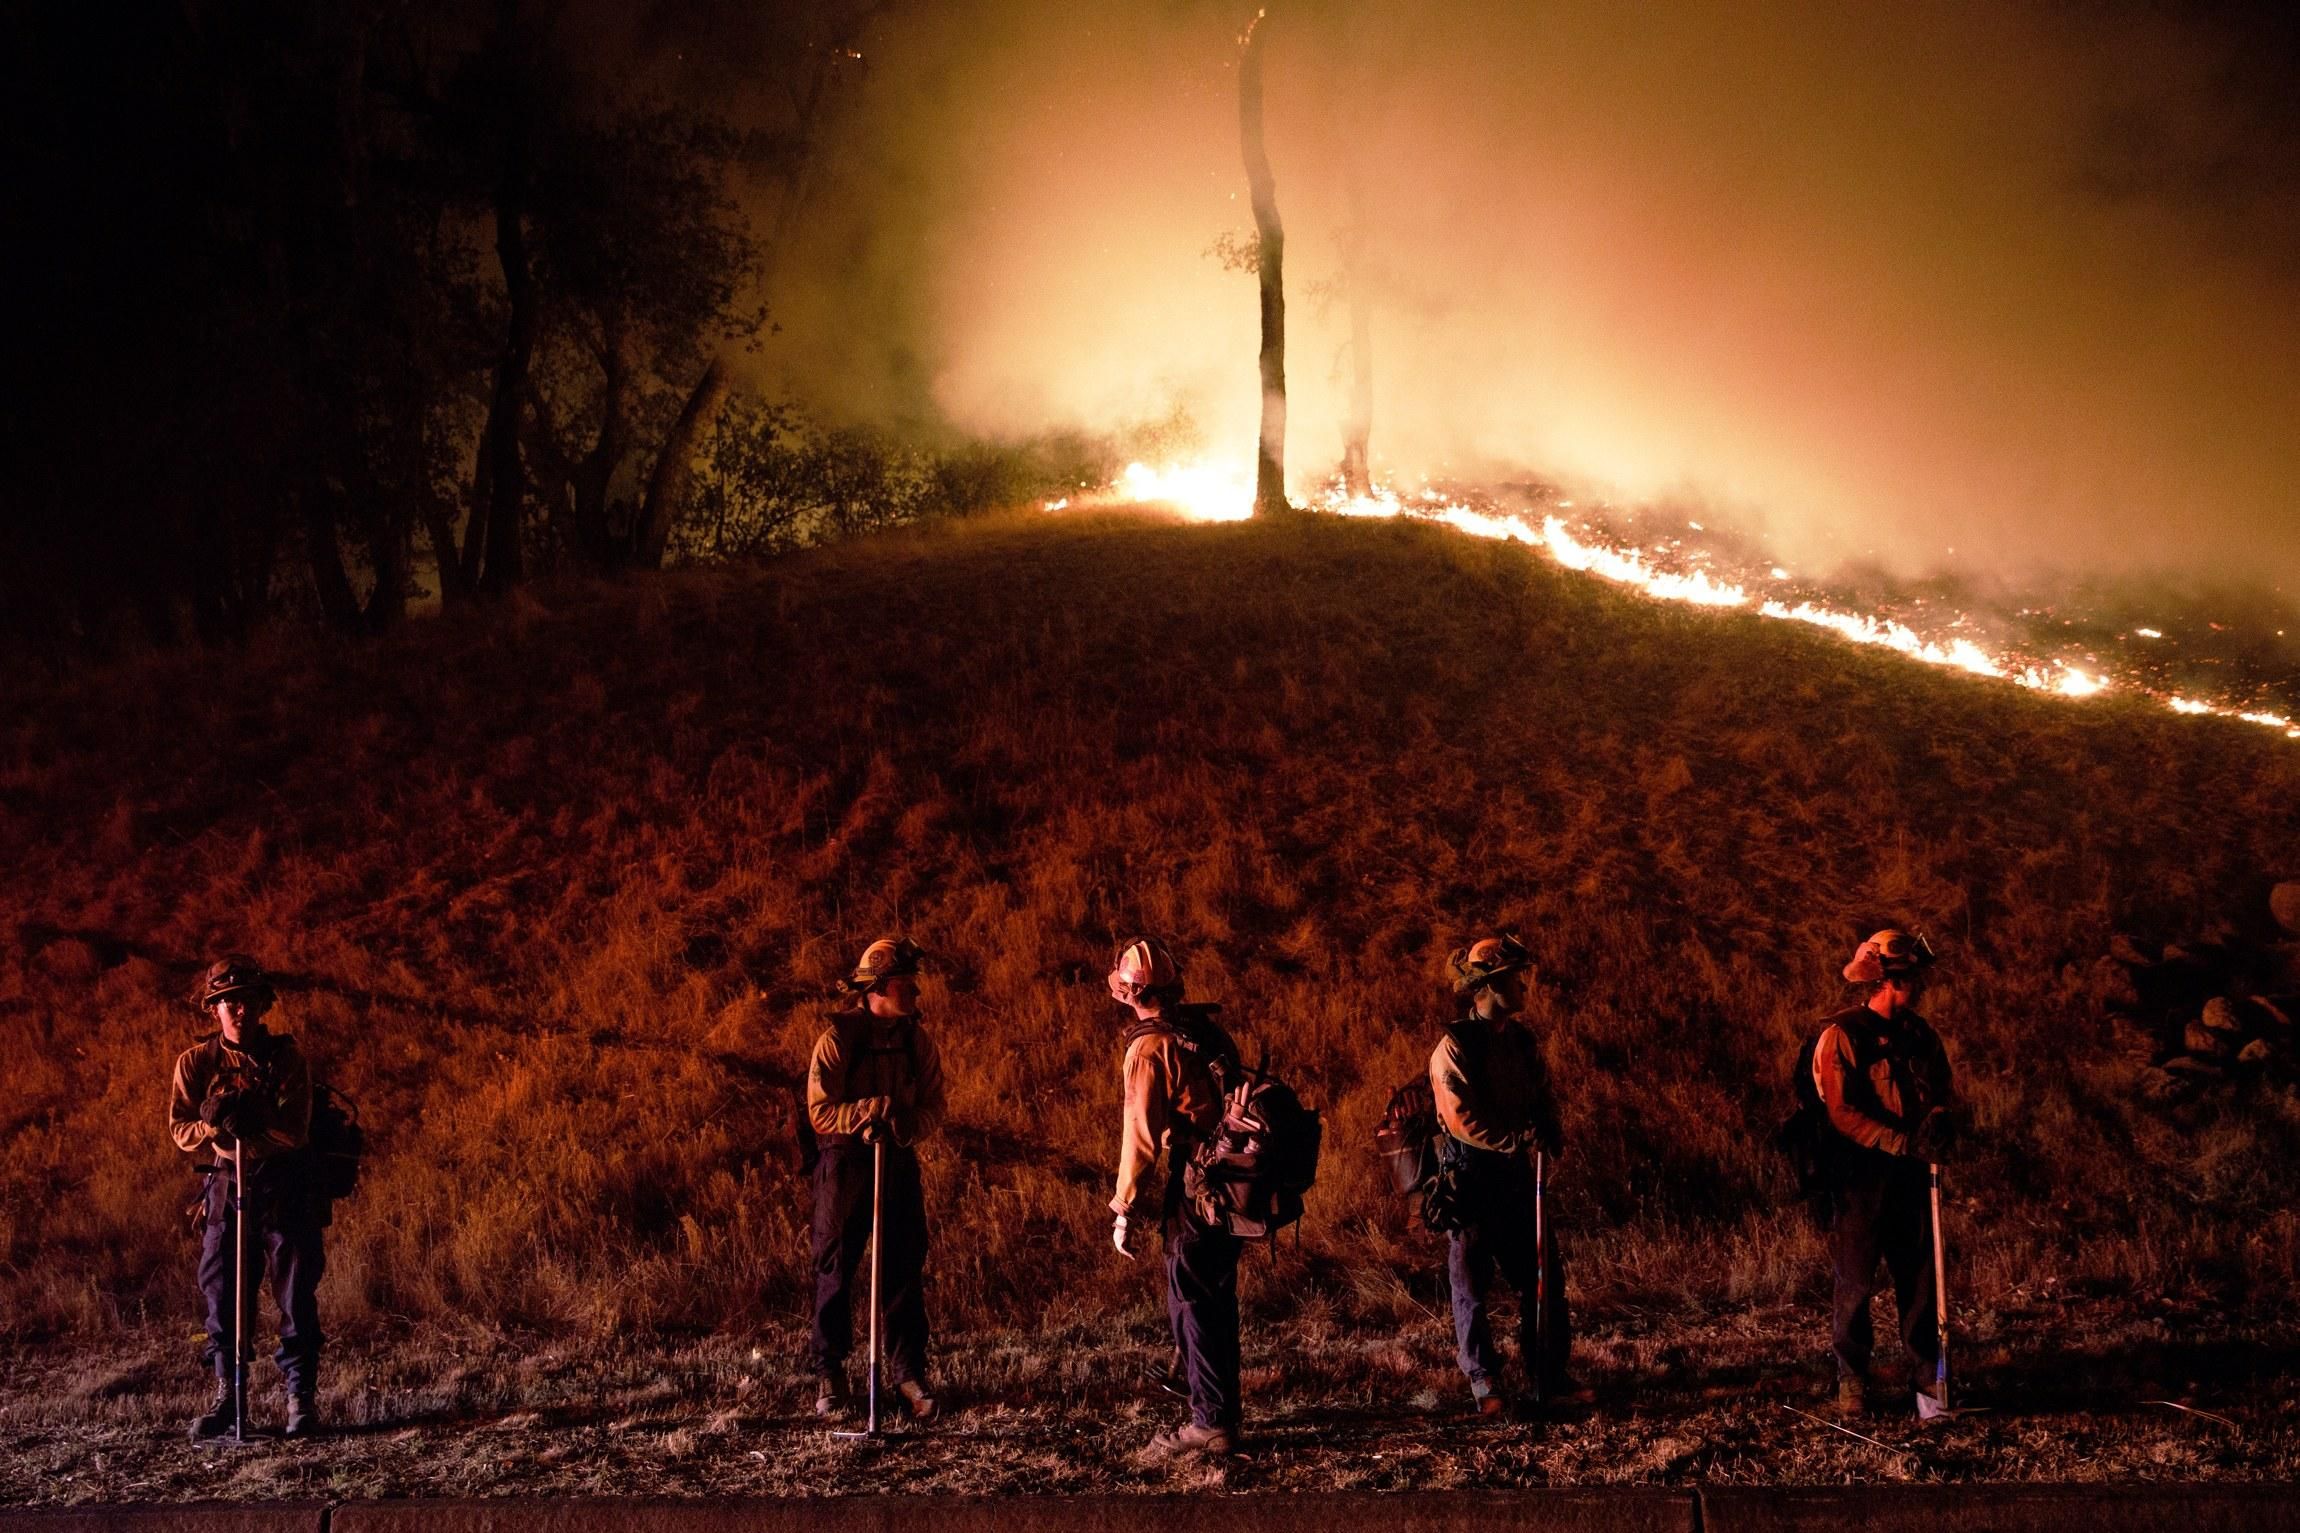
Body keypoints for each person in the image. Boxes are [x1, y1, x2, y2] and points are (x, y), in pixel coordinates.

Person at [168, 955, 325, 1439]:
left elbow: (294, 1133)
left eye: (247, 1000)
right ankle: (229, 1399)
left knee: (295, 1296)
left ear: (262, 1005)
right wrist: (215, 1128)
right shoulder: (195, 1064)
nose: (238, 1009)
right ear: (213, 1009)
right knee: (222, 1296)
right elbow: (180, 1130)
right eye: (228, 1001)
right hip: (225, 1188)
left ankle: (300, 1400)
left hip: (284, 1188)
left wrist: (250, 1134)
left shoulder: (286, 1060)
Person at [1430, 933, 1584, 1415]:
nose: (1525, 986)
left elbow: (1541, 1091)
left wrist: (1550, 1126)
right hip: (1471, 1179)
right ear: (1491, 985)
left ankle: (1549, 1374)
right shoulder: (1453, 1046)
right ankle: (1485, 1382)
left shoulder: (1521, 1040)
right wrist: (1516, 1140)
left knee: (1543, 1279)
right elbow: (1461, 1118)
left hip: (1518, 1178)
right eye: (1516, 978)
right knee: (1471, 1285)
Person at [1813, 929, 1958, 1419]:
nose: (1918, 983)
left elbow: (1942, 1091)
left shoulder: (1921, 1035)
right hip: (1863, 1177)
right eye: (1911, 975)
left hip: (1914, 1175)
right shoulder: (1842, 1035)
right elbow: (1841, 1111)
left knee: (1920, 1283)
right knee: (1855, 1283)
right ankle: (1852, 1381)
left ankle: (1926, 1386)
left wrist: (1940, 1121)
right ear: (1890, 979)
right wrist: (1901, 1142)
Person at [1108, 936, 1243, 1460]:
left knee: (1190, 1298)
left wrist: (1124, 1205)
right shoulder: (1202, 1032)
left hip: (1196, 1178)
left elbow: (1140, 1134)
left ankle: (1209, 1423)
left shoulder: (1150, 1048)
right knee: (1216, 1297)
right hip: (1231, 1181)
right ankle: (1223, 1412)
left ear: (1132, 992)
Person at [806, 936, 947, 1423]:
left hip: (898, 1163)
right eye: (907, 985)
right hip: (845, 1167)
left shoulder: (916, 1041)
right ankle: (830, 1374)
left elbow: (935, 1106)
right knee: (836, 1270)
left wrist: (904, 1126)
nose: (916, 994)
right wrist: (864, 1114)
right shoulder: (838, 1040)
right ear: (881, 987)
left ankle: (907, 1374)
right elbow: (820, 1110)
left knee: (904, 1269)